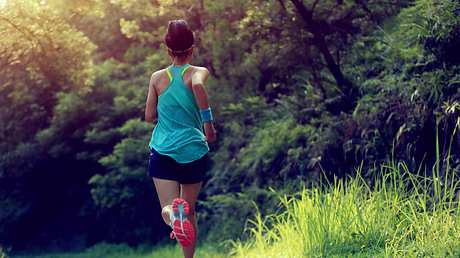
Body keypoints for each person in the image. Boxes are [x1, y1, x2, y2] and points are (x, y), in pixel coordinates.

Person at [144, 19, 216, 258]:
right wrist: (208, 126)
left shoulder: (157, 78)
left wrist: (167, 113)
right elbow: (197, 86)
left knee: (169, 208)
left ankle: (173, 217)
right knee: (190, 211)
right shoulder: (198, 72)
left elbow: (149, 116)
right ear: (192, 48)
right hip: (194, 150)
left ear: (168, 49)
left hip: (163, 150)